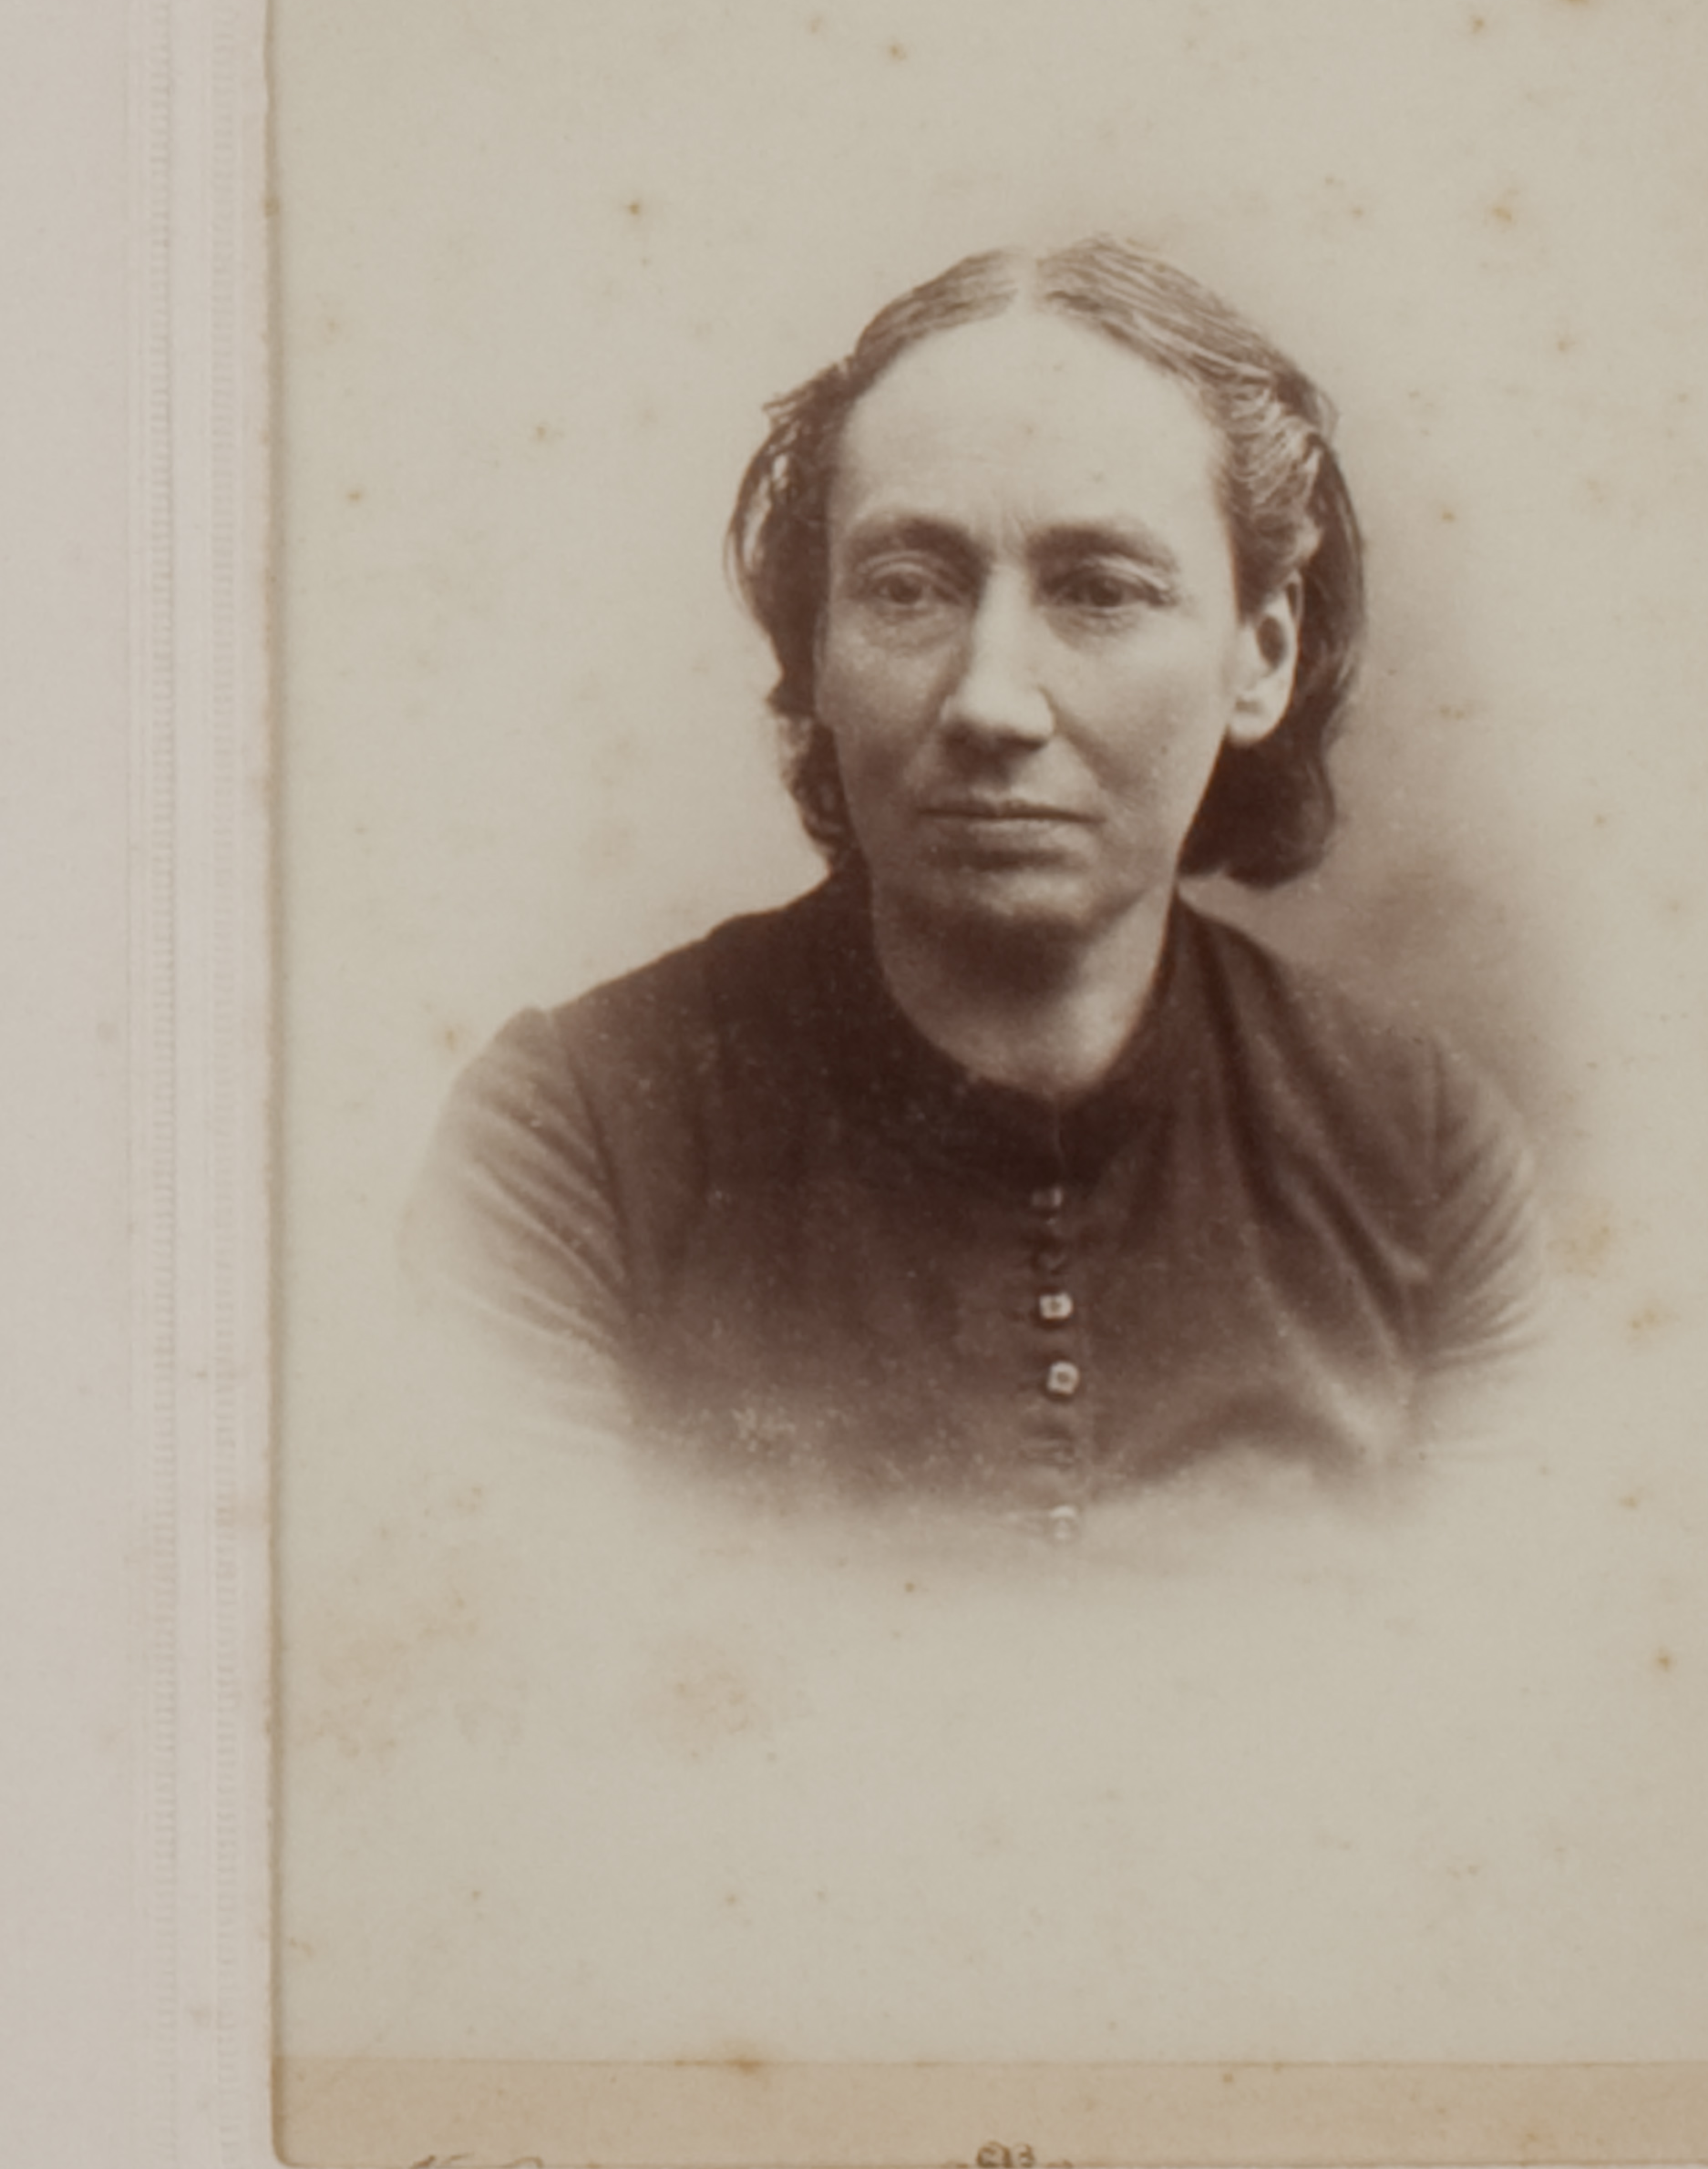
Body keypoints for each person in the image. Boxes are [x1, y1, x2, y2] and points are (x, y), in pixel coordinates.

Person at [407, 240, 1539, 1538]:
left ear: (1261, 658)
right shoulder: (570, 1140)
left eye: (1100, 592)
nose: (992, 701)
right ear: (817, 649)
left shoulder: (1426, 1157)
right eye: (907, 589)